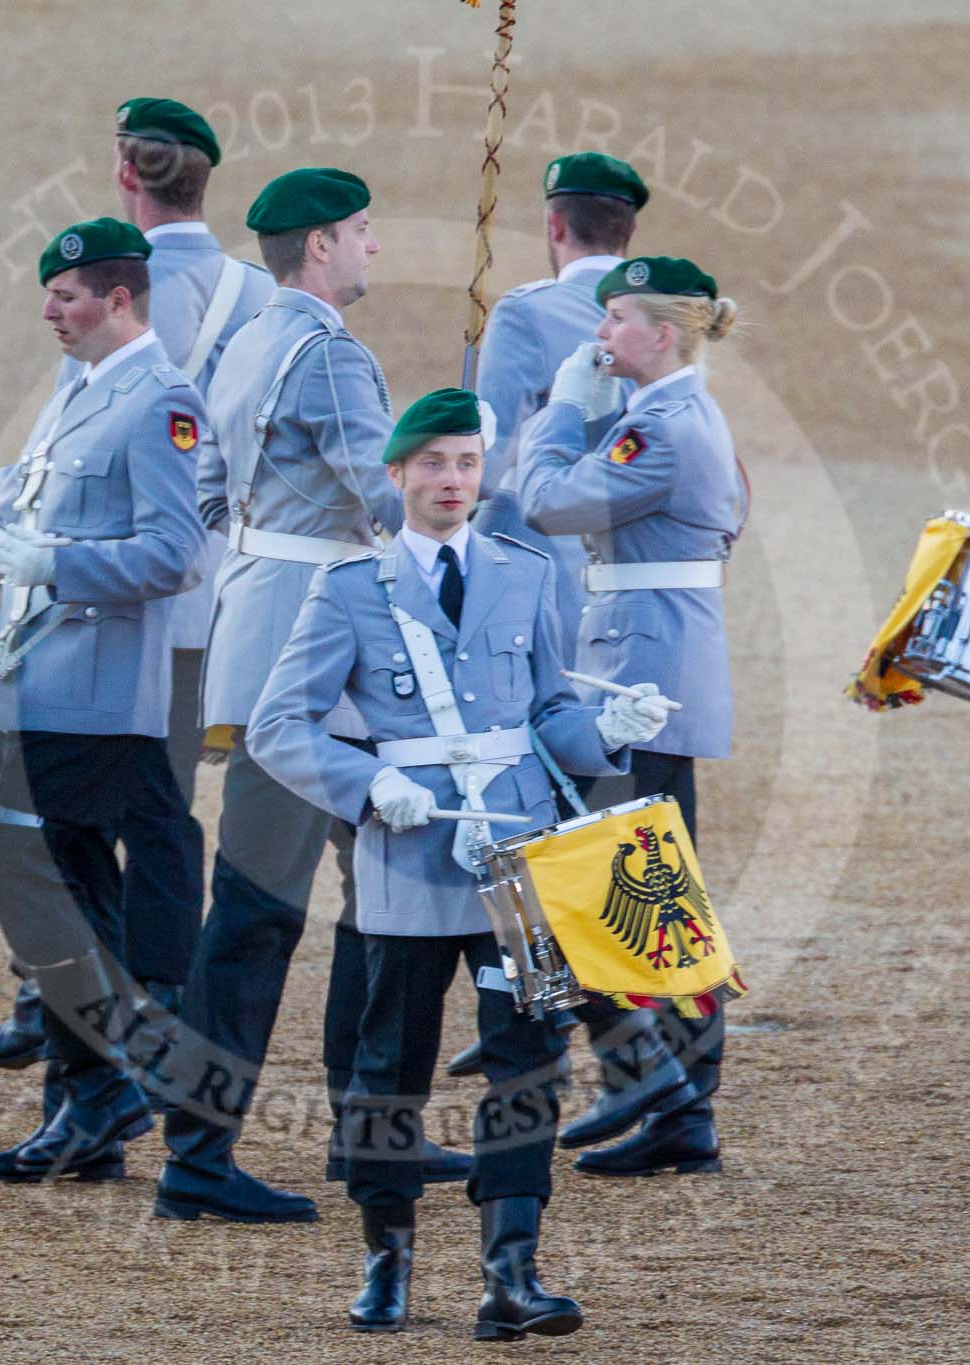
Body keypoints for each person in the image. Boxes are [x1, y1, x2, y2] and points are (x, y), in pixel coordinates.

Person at [248, 388, 675, 1337]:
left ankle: (510, 1273)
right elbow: (279, 725)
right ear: (396, 475)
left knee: (527, 1063)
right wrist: (363, 786)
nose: (452, 481)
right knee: (390, 1064)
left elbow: (547, 712)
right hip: (408, 850)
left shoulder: (525, 572)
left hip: (517, 858)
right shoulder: (353, 588)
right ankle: (385, 1257)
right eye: (434, 463)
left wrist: (602, 730)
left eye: (467, 463)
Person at [0, 98, 275, 1074]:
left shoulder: (131, 353)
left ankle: (94, 1007)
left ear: (127, 171)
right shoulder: (257, 299)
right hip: (210, 606)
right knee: (133, 818)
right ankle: (112, 1008)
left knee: (98, 817)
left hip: (125, 596)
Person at [151, 167, 467, 1224]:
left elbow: (210, 494)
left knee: (376, 897)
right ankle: (199, 1160)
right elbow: (384, 501)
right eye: (363, 233)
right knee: (258, 911)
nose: (375, 247)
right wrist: (455, 460)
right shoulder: (328, 353)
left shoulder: (245, 339)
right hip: (312, 655)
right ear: (322, 245)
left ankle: (366, 1134)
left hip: (267, 627)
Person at [0, 218, 209, 1181]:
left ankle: (103, 1085)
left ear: (117, 300)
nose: (49, 311)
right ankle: (85, 1104)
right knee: (76, 892)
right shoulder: (79, 388)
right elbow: (18, 510)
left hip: (99, 691)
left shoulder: (160, 401)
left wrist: (57, 565)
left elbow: (173, 555)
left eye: (66, 298)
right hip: (43, 683)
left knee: (31, 879)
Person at [516, 255, 746, 1178]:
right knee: (650, 885)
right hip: (648, 650)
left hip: (642, 667)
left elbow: (544, 501)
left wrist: (558, 410)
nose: (600, 337)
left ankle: (661, 1084)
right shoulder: (668, 416)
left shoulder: (662, 427)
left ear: (661, 333)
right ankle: (673, 1100)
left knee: (639, 886)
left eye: (615, 321)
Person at [472, 151, 645, 643]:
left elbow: (487, 456)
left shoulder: (526, 313)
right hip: (636, 565)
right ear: (628, 231)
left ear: (555, 224)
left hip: (542, 565)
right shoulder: (664, 319)